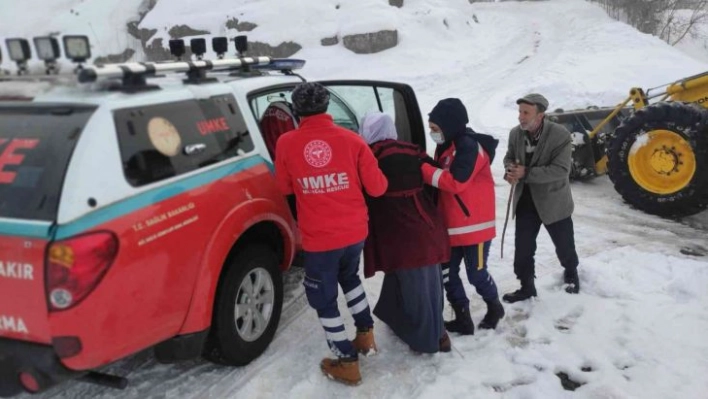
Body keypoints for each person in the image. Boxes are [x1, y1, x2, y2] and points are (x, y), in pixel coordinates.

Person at [274, 82, 388, 386]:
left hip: (320, 238)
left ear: (296, 111)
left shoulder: (286, 143)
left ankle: (346, 360)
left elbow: (284, 188)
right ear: (327, 108)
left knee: (322, 298)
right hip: (354, 232)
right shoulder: (353, 141)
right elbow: (378, 188)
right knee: (349, 278)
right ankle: (365, 336)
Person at [358, 112, 452, 354]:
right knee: (427, 282)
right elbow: (434, 178)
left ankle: (430, 340)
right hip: (426, 224)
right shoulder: (413, 149)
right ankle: (427, 328)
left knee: (415, 286)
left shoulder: (369, 156)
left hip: (400, 232)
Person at [419, 98, 505, 336]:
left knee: (476, 274)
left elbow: (455, 182)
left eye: (435, 129)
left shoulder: (469, 146)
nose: (432, 133)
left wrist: (422, 169)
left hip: (474, 227)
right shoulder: (446, 146)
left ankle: (495, 307)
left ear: (449, 124)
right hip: (451, 227)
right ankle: (462, 318)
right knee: (447, 274)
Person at [502, 93, 580, 303]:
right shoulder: (515, 134)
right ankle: (526, 287)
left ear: (541, 115)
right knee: (523, 250)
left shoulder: (560, 135)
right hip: (526, 201)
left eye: (526, 112)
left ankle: (571, 273)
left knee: (564, 245)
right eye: (519, 112)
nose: (521, 117)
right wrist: (510, 170)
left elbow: (561, 170)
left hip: (554, 201)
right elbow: (509, 157)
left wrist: (525, 173)